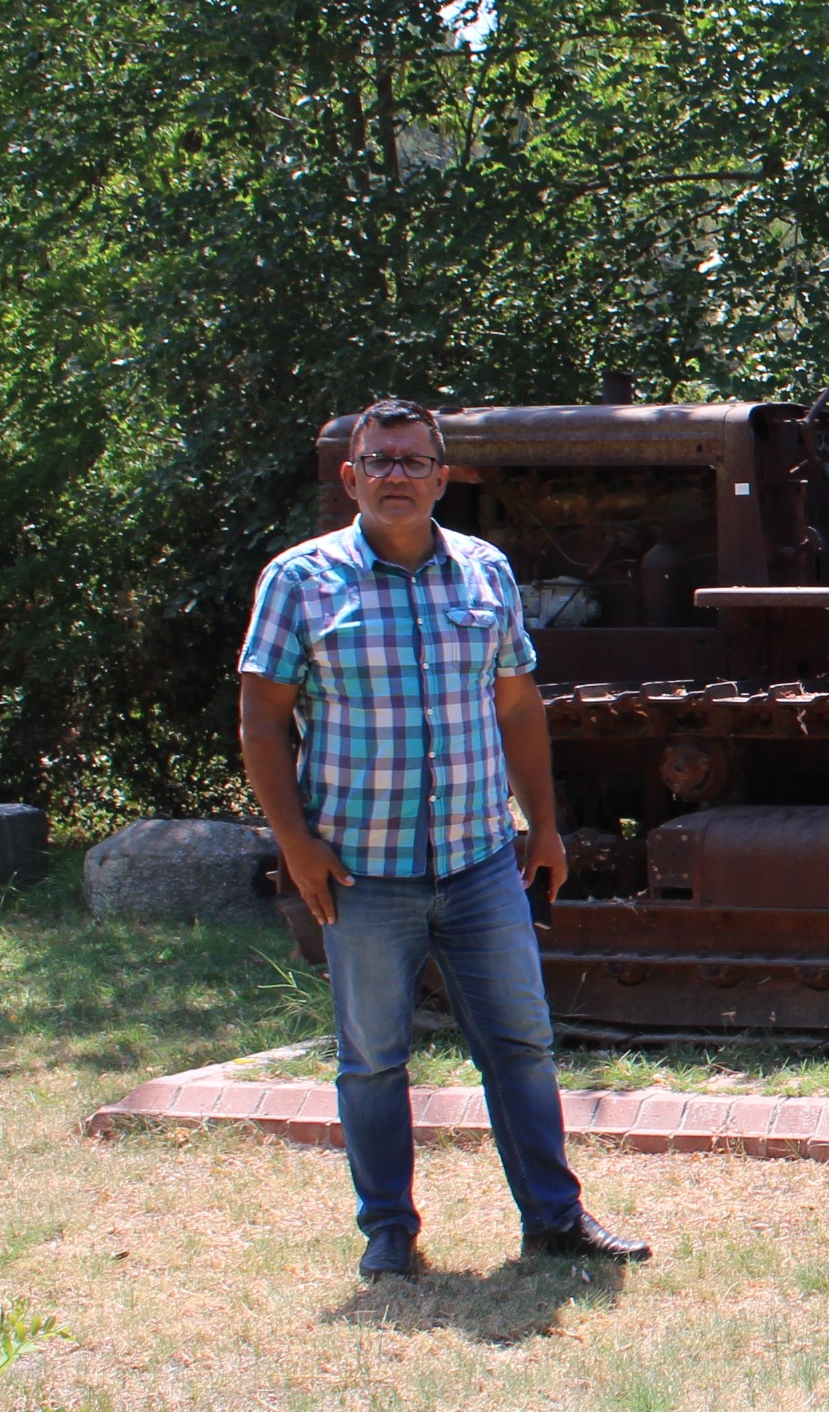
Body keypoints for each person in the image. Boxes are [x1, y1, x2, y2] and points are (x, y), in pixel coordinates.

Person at [236, 397, 650, 1279]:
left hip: (478, 861)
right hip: (360, 871)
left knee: (521, 1046)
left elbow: (516, 703)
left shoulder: (485, 573)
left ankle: (555, 1219)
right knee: (375, 1059)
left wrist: (543, 827)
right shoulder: (300, 581)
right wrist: (295, 845)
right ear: (351, 478)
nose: (396, 475)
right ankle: (389, 1232)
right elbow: (262, 721)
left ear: (442, 477)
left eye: (413, 461)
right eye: (379, 461)